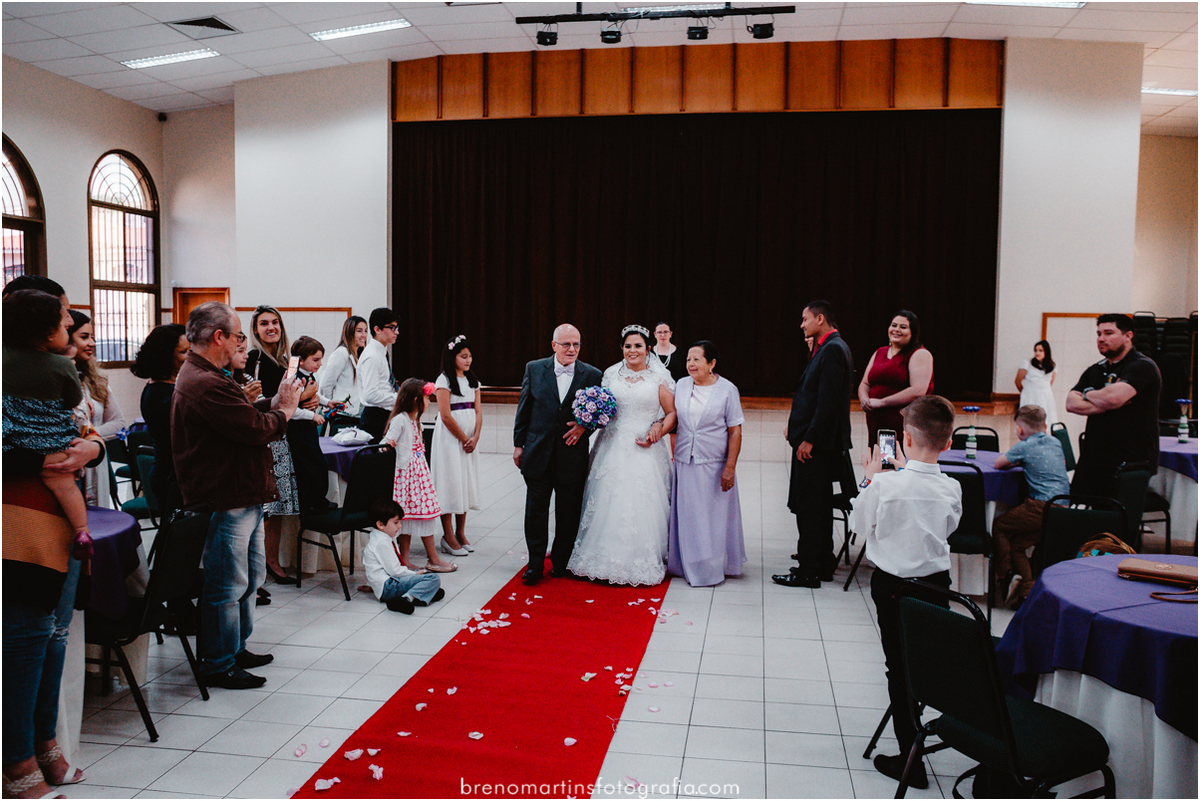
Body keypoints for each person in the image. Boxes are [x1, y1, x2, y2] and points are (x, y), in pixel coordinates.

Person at [2, 279, 102, 798]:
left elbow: (85, 429)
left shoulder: (58, 368)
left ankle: (45, 743)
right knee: (24, 640)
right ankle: (16, 760)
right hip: (18, 521)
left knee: (54, 636)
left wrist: (92, 450)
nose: (71, 326)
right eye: (64, 318)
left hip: (59, 519)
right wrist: (45, 457)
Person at [171, 301, 301, 690]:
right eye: (237, 335)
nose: (239, 343)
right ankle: (217, 663)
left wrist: (272, 403)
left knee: (248, 577)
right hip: (225, 495)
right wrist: (285, 411)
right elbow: (253, 429)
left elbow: (241, 414)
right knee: (226, 584)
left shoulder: (210, 374)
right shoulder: (205, 381)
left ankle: (235, 647)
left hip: (241, 491)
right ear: (219, 337)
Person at [847, 395, 962, 790]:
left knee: (899, 669)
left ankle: (909, 758)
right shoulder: (952, 488)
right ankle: (920, 726)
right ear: (948, 443)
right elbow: (948, 528)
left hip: (894, 587)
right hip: (937, 586)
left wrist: (870, 479)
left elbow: (859, 526)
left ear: (905, 440)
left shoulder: (884, 484)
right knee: (923, 664)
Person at [567, 324, 678, 586]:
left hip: (645, 449)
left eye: (638, 346)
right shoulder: (610, 374)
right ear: (622, 348)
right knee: (606, 499)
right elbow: (602, 407)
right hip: (611, 446)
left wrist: (659, 428)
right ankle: (600, 556)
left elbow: (671, 413)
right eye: (628, 346)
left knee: (641, 503)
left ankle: (639, 559)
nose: (632, 350)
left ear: (648, 349)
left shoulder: (657, 378)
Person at [2, 290, 94, 561]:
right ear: (49, 334)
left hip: (14, 437)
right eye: (64, 323)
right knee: (63, 483)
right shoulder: (61, 365)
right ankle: (82, 530)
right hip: (52, 440)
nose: (69, 324)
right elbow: (74, 400)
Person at [512, 324, 603, 586]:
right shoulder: (534, 368)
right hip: (537, 451)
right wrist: (519, 444)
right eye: (566, 344)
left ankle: (561, 562)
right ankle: (535, 565)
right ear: (554, 345)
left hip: (571, 455)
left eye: (576, 344)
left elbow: (600, 413)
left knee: (568, 513)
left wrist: (585, 427)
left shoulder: (592, 374)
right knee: (535, 512)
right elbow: (524, 408)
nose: (572, 349)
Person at [774, 300, 854, 589]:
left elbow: (827, 402)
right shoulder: (828, 347)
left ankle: (808, 570)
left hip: (817, 447)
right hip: (818, 443)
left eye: (805, 319)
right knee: (817, 506)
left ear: (820, 319)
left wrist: (809, 439)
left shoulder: (832, 349)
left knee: (810, 508)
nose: (802, 325)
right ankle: (822, 563)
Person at [666, 340, 746, 587]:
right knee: (688, 516)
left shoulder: (727, 389)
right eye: (688, 360)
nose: (691, 364)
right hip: (685, 460)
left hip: (714, 463)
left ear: (711, 363)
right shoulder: (681, 385)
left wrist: (730, 467)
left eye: (696, 360)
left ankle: (710, 567)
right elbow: (672, 417)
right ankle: (686, 563)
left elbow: (735, 430)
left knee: (712, 518)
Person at [1066, 314, 1163, 497]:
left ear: (1128, 336)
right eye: (1099, 334)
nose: (1101, 339)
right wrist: (1105, 401)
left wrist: (1087, 394)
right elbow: (1070, 403)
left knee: (1118, 513)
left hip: (1130, 460)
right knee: (1083, 508)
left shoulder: (1142, 366)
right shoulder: (1096, 369)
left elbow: (1114, 398)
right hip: (1095, 458)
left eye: (1108, 333)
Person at [992, 405, 1071, 609]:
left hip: (1040, 505)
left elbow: (999, 464)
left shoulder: (1024, 446)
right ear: (1044, 426)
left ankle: (1005, 575)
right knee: (1018, 546)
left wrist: (1018, 460)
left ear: (1019, 429)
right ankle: (1026, 595)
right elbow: (1061, 463)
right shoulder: (1055, 442)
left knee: (999, 526)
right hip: (1063, 508)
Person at [246, 305, 301, 584]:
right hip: (264, 438)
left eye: (275, 322)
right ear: (255, 330)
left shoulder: (285, 360)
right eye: (264, 323)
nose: (271, 328)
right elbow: (254, 401)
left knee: (279, 505)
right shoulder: (253, 358)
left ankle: (272, 560)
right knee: (265, 508)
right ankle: (259, 565)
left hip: (281, 435)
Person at [383, 378, 456, 572]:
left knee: (423, 515)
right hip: (407, 478)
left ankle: (427, 558)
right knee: (408, 518)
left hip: (418, 477)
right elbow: (386, 442)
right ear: (416, 400)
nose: (429, 402)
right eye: (426, 398)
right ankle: (412, 560)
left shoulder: (414, 420)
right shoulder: (400, 420)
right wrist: (389, 444)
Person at [67, 310, 126, 508]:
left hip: (95, 461)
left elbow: (118, 423)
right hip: (68, 467)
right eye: (84, 337)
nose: (92, 343)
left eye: (92, 337)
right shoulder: (55, 379)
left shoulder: (96, 380)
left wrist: (90, 437)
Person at [130, 323, 189, 519]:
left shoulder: (165, 389)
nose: (190, 357)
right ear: (166, 356)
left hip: (173, 475)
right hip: (172, 478)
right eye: (183, 352)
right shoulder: (163, 395)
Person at [431, 334, 481, 556]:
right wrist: (463, 438)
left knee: (465, 482)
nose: (468, 360)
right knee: (450, 482)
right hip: (450, 440)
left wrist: (475, 437)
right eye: (463, 356)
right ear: (453, 358)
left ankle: (461, 532)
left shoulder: (473, 381)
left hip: (469, 440)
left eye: (469, 356)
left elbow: (478, 411)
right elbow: (445, 415)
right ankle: (447, 535)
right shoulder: (444, 381)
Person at [857, 310, 934, 445]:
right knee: (877, 457)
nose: (896, 330)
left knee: (897, 458)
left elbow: (918, 391)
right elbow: (865, 383)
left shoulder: (920, 354)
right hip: (875, 423)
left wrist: (883, 402)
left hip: (904, 425)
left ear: (913, 332)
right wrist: (864, 399)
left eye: (903, 327)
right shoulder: (880, 352)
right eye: (894, 325)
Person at [362, 497, 445, 615]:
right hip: (388, 587)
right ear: (380, 524)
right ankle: (407, 598)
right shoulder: (381, 543)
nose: (400, 526)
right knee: (433, 578)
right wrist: (414, 574)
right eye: (396, 522)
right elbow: (395, 571)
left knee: (426, 578)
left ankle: (420, 593)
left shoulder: (383, 537)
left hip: (389, 583)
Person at [288, 336, 336, 516]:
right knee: (312, 466)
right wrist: (312, 416)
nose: (320, 364)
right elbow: (291, 409)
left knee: (314, 465)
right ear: (301, 360)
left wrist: (327, 402)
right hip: (298, 431)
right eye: (315, 360)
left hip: (307, 430)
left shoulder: (308, 375)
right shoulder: (294, 378)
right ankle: (313, 503)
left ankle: (316, 501)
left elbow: (314, 393)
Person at [357, 307, 400, 442]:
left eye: (397, 328)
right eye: (392, 328)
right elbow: (370, 395)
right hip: (375, 417)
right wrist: (399, 398)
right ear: (377, 329)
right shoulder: (373, 356)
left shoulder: (381, 353)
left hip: (384, 414)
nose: (396, 332)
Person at [317, 315, 367, 416]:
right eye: (359, 331)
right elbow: (326, 385)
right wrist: (331, 406)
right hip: (342, 413)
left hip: (355, 413)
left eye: (365, 331)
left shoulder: (359, 356)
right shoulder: (342, 353)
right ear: (349, 332)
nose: (364, 335)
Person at [1015, 340, 1057, 426]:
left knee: (1046, 421)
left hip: (1046, 397)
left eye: (1040, 351)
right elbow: (1018, 381)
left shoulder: (1053, 366)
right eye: (1036, 350)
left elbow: (1050, 382)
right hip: (1030, 396)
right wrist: (1026, 392)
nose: (1037, 353)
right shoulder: (1027, 363)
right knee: (1029, 422)